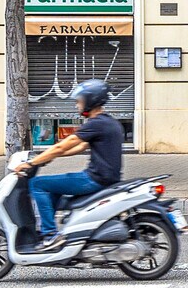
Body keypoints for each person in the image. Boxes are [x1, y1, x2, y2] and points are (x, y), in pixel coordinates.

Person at [14, 79, 123, 250]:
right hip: (106, 178)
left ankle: (50, 235)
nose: (77, 105)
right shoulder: (109, 122)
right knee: (53, 192)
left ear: (91, 100)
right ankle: (57, 231)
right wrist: (49, 157)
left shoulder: (97, 123)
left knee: (37, 184)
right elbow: (80, 147)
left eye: (79, 101)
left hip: (94, 179)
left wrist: (31, 162)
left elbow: (63, 145)